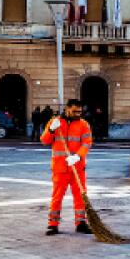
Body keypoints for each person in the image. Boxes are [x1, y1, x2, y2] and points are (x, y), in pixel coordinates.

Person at [41, 99, 93, 235]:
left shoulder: (84, 124)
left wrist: (78, 156)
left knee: (80, 196)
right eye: (75, 111)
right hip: (60, 168)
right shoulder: (55, 122)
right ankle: (53, 224)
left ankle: (81, 222)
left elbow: (87, 143)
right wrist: (51, 130)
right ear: (67, 109)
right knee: (57, 196)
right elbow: (44, 140)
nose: (78, 114)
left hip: (78, 167)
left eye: (80, 111)